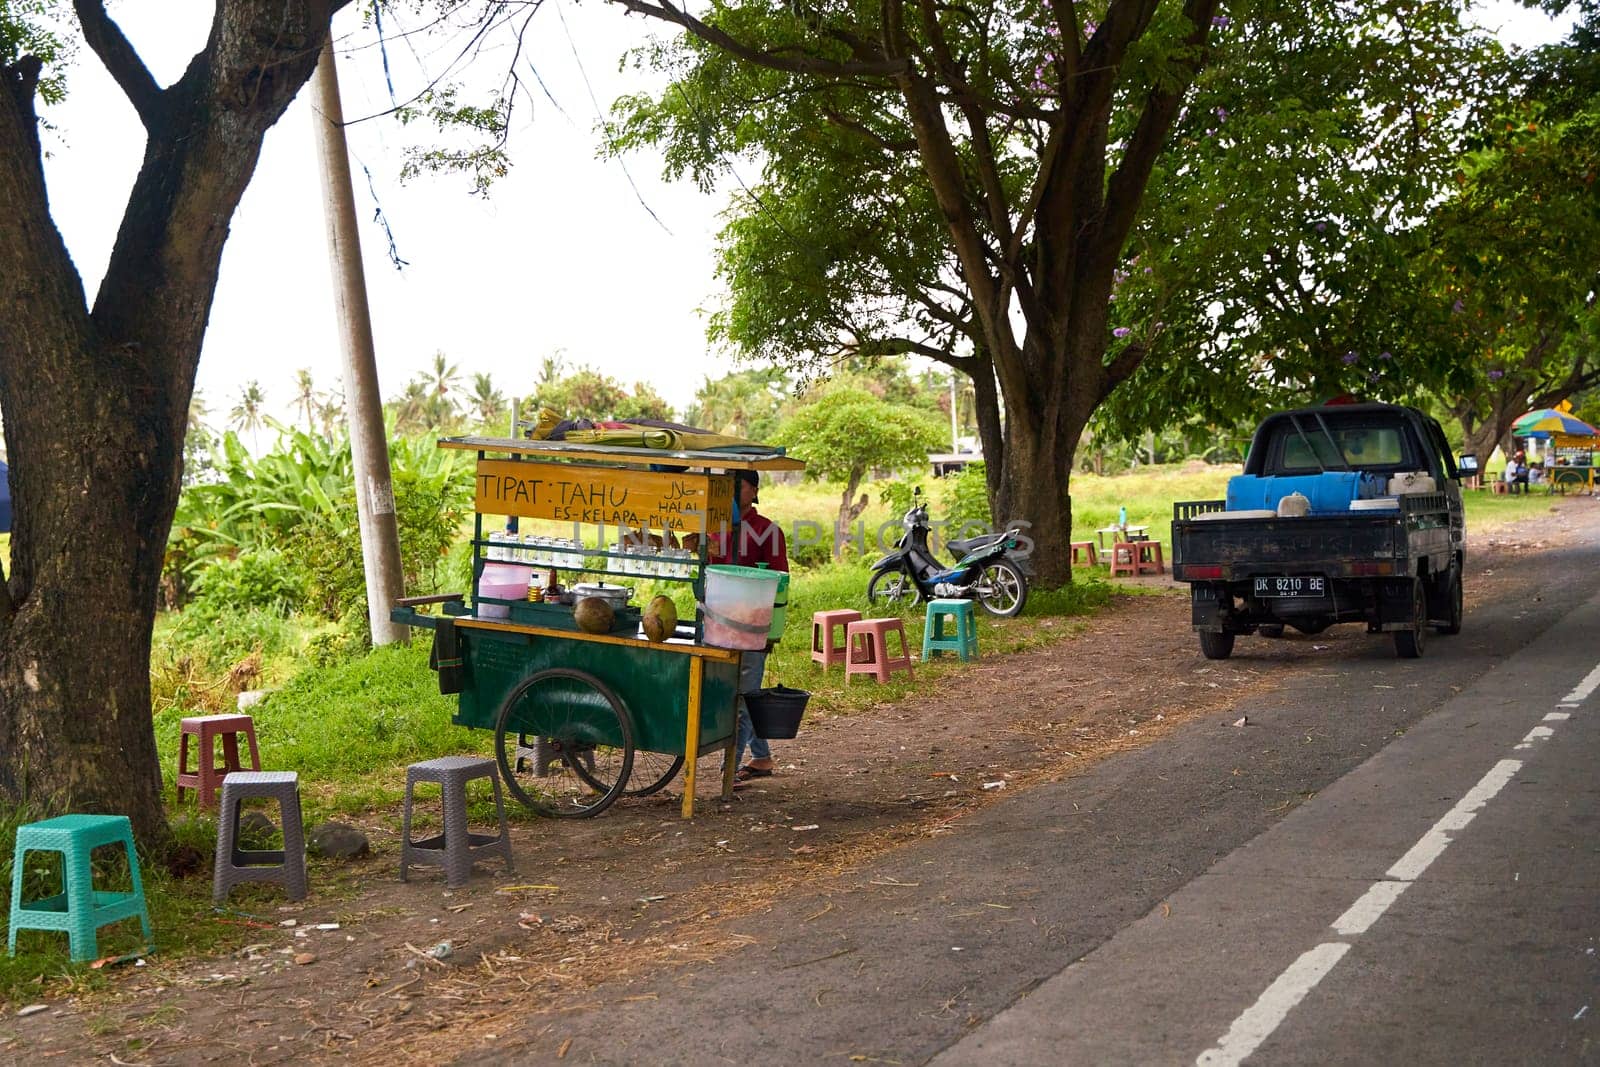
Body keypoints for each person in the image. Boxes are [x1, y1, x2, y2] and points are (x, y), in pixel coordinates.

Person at [700, 469, 788, 784]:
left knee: (744, 696)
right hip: (718, 624)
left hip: (753, 627)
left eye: (741, 486)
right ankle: (761, 757)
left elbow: (780, 583)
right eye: (729, 487)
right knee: (727, 693)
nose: (735, 492)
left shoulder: (769, 530)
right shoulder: (713, 527)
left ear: (755, 491)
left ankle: (729, 770)